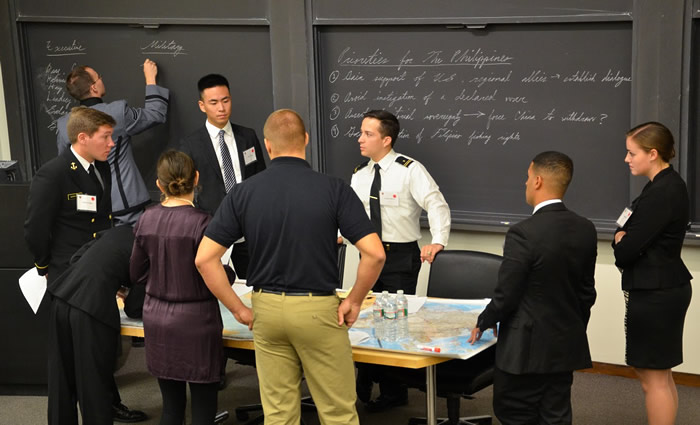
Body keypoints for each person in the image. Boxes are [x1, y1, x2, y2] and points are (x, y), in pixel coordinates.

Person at [195, 109, 385, 425]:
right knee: (338, 412)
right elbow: (375, 254)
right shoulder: (334, 189)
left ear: (267, 146)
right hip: (317, 310)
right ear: (306, 140)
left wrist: (240, 310)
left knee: (279, 414)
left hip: (266, 309)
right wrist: (353, 300)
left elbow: (204, 259)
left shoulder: (243, 192)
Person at [26, 106, 147, 422]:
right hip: (68, 276)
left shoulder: (100, 167)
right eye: (106, 137)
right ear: (83, 137)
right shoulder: (54, 173)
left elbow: (104, 220)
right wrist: (43, 268)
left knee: (97, 356)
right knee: (67, 365)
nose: (112, 143)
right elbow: (36, 228)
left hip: (97, 272)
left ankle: (109, 405)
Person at [469, 151, 597, 425]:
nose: (524, 183)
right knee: (556, 414)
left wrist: (486, 319)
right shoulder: (586, 228)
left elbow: (507, 293)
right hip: (564, 345)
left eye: (527, 178)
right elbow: (587, 292)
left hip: (524, 351)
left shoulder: (523, 232)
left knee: (515, 413)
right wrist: (571, 326)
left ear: (538, 181)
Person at [348, 109, 450, 410]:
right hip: (369, 255)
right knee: (364, 318)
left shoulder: (410, 170)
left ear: (386, 139)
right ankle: (367, 373)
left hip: (400, 257)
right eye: (361, 132)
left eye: (368, 134)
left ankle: (393, 392)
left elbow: (436, 204)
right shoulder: (359, 174)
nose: (360, 138)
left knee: (391, 326)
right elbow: (351, 214)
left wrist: (438, 240)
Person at [130, 150, 226, 425]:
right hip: (197, 322)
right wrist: (227, 275)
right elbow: (211, 271)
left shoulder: (145, 219)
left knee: (171, 407)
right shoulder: (203, 222)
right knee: (203, 411)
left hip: (157, 320)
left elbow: (136, 272)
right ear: (196, 178)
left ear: (159, 185)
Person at [612, 122, 693, 425]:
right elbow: (625, 232)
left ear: (653, 153)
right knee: (660, 375)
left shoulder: (663, 192)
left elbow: (626, 248)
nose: (627, 159)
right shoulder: (661, 185)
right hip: (660, 288)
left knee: (653, 379)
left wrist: (622, 240)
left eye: (632, 153)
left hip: (657, 292)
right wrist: (623, 237)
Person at [57, 59, 169, 226]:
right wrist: (150, 79)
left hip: (90, 211)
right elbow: (156, 114)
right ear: (94, 87)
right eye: (99, 77)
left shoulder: (63, 124)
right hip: (126, 208)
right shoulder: (116, 113)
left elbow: (65, 167)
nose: (102, 79)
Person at [47, 226, 140, 425]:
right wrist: (123, 289)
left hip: (62, 297)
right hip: (91, 309)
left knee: (61, 381)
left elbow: (75, 259)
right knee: (93, 385)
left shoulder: (119, 231)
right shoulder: (148, 248)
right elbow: (134, 308)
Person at [180, 73, 266, 279]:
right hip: (213, 229)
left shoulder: (248, 136)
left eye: (225, 100)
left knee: (254, 281)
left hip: (249, 227)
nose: (221, 108)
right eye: (214, 102)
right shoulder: (191, 144)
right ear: (202, 106)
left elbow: (261, 178)